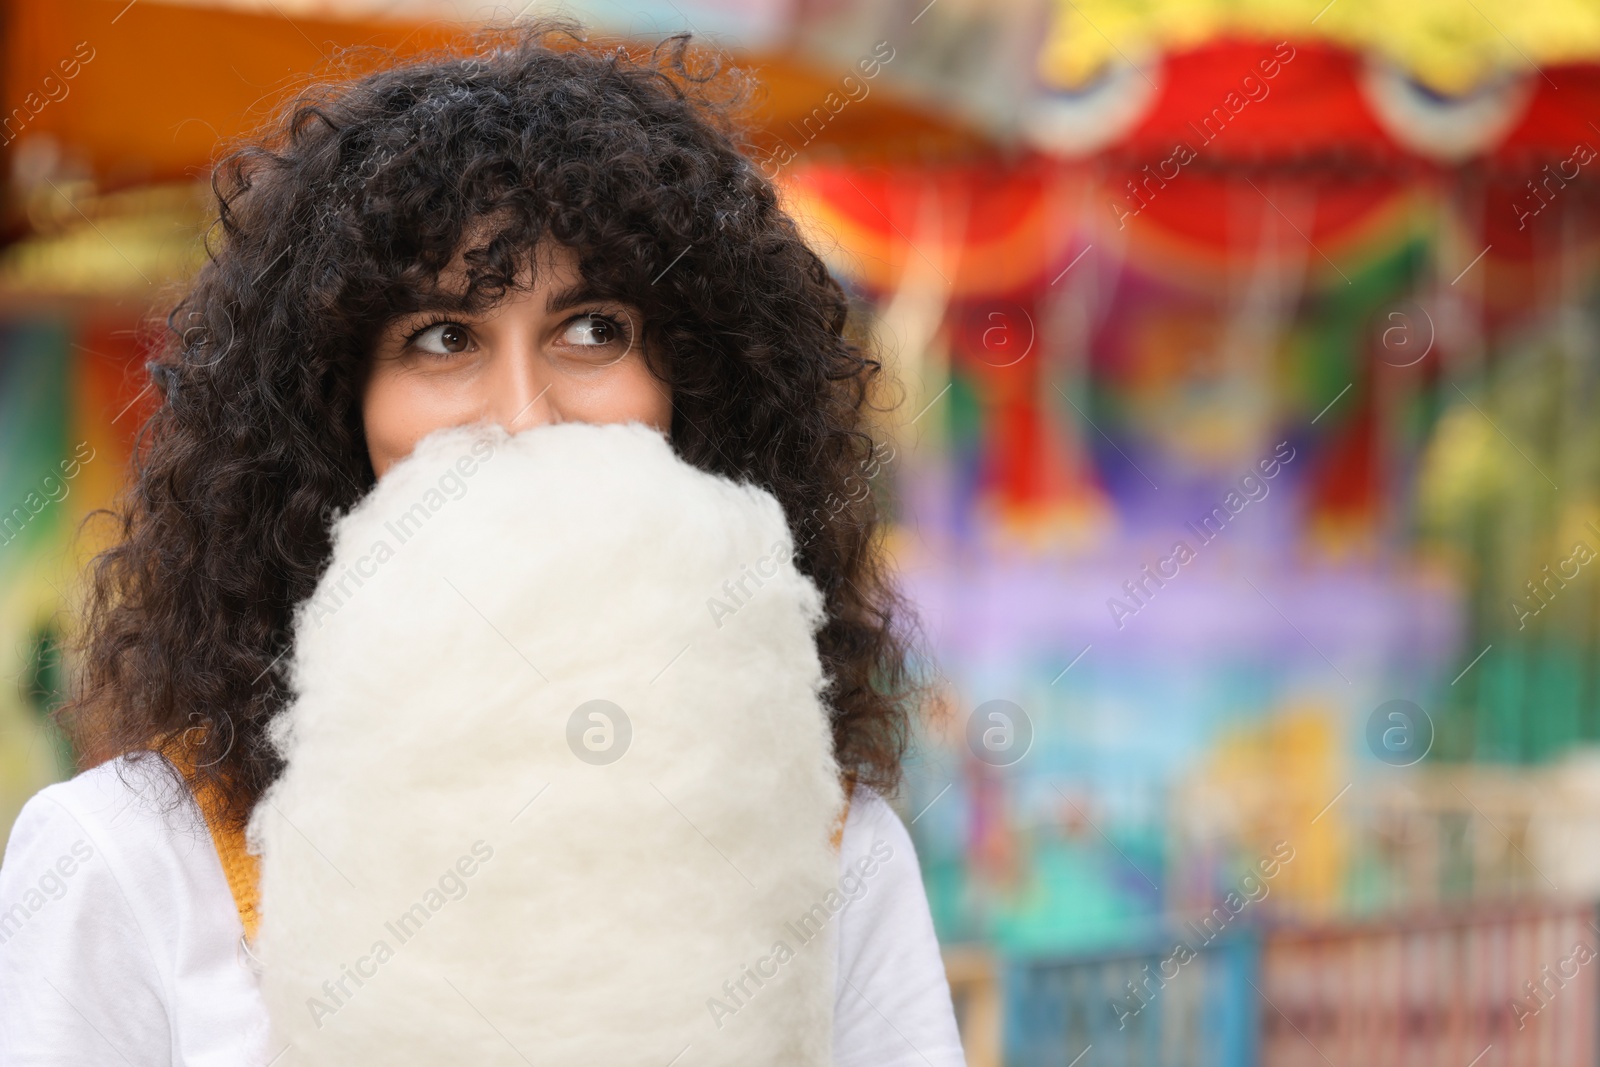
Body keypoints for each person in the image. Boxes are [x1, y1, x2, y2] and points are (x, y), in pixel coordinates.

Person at [0, 18, 967, 1067]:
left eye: (594, 329)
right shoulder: (127, 859)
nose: (522, 414)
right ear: (333, 410)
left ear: (696, 387)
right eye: (444, 339)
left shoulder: (831, 854)